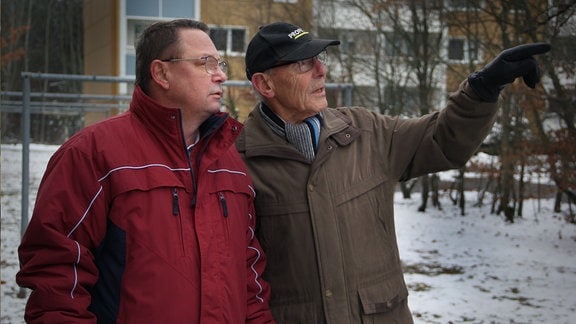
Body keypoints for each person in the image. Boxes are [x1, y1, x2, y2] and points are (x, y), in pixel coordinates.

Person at [237, 22, 550, 322]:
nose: (322, 70)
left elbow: (442, 138)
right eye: (303, 64)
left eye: (319, 59)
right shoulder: (238, 164)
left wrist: (483, 88)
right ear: (265, 84)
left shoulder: (365, 131)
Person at [16, 19, 275, 323]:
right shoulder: (94, 153)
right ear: (161, 73)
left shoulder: (230, 163)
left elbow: (250, 278)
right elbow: (56, 277)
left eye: (220, 64)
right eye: (205, 63)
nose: (220, 75)